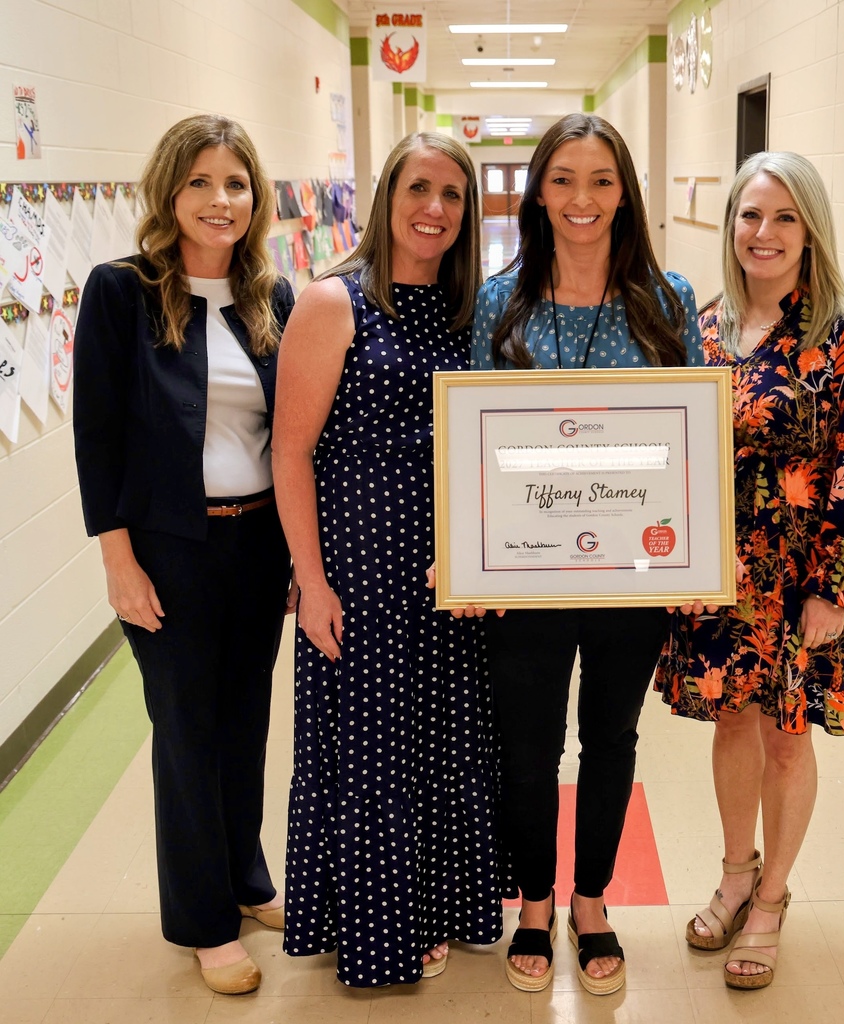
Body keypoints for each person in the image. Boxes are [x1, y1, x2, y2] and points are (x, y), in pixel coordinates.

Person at [471, 112, 701, 996]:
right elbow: (471, 443)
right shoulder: (500, 301)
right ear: (537, 192)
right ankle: (535, 901)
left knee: (610, 739)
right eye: (563, 178)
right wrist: (470, 555)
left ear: (625, 193)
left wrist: (695, 556)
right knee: (528, 748)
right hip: (525, 572)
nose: (582, 198)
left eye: (602, 180)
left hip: (631, 574)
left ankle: (591, 900)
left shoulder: (666, 299)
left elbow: (690, 437)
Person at [657, 150, 844, 990]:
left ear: (811, 230)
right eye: (751, 215)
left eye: (785, 217)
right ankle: (735, 873)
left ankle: (772, 898)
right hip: (719, 573)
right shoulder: (704, 327)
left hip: (802, 580)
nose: (764, 232)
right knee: (731, 724)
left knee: (786, 738)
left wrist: (833, 586)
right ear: (731, 224)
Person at [272, 132, 504, 987]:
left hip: (449, 571)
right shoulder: (333, 302)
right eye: (417, 189)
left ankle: (437, 908)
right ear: (386, 197)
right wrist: (311, 581)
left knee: (444, 740)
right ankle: (378, 929)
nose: (434, 208)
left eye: (452, 194)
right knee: (372, 746)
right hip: (362, 568)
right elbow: (291, 451)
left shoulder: (470, 310)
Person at [73, 114, 296, 995]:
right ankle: (204, 921)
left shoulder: (271, 297)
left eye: (235, 183)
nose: (219, 200)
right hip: (168, 550)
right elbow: (96, 437)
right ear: (169, 192)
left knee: (244, 721)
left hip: (257, 542)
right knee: (185, 730)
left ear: (256, 198)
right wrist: (117, 561)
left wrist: (296, 553)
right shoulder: (119, 291)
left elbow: (291, 438)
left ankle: (245, 880)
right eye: (200, 182)